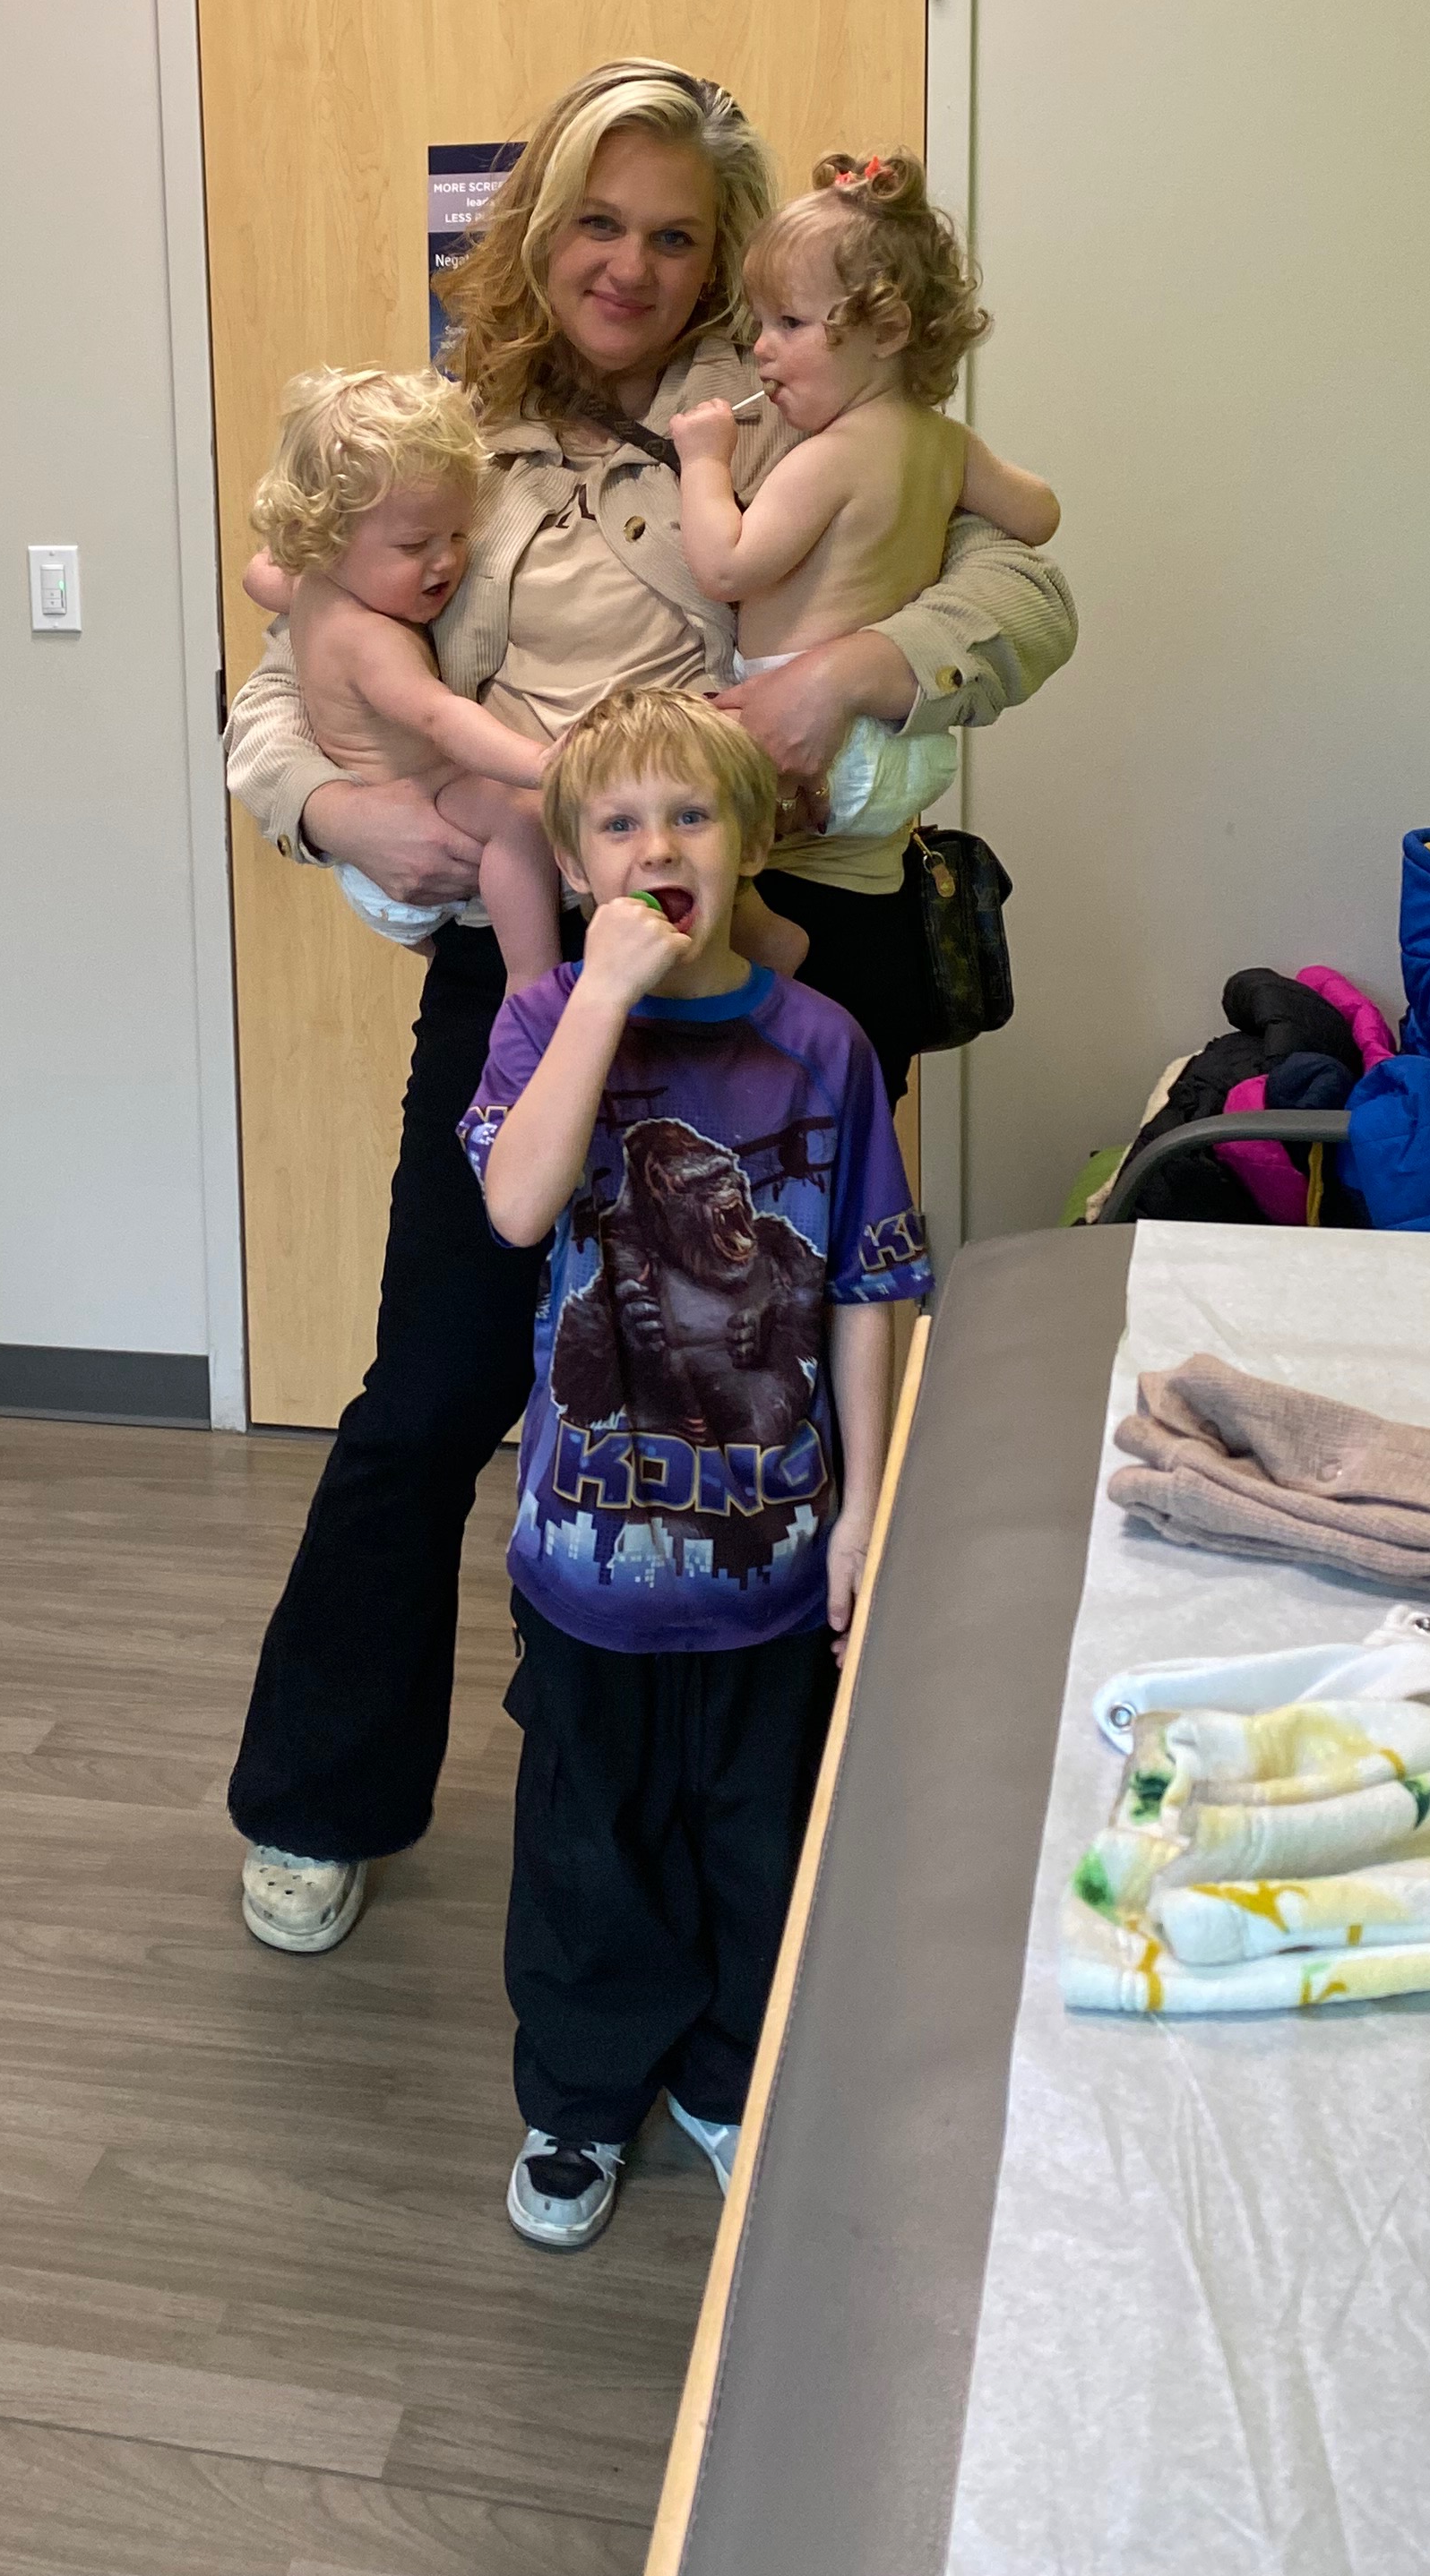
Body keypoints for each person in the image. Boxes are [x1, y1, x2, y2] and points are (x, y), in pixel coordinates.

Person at [224, 57, 1076, 1957]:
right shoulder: (442, 442)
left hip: (772, 963)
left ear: (723, 258)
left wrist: (859, 662)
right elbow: (287, 675)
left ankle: (798, 1823)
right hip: (531, 971)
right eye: (597, 222)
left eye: (676, 236)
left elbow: (1029, 593)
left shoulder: (792, 404)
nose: (629, 264)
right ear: (537, 229)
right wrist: (332, 806)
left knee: (778, 1403)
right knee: (434, 1384)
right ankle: (318, 1794)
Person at [461, 687, 928, 2245]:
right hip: (587, 1563)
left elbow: (867, 1285)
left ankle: (733, 2074)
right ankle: (581, 2096)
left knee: (754, 1834)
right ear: (573, 863)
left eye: (690, 815)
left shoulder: (822, 1045)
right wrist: (600, 994)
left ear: (751, 841)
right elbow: (517, 1207)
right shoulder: (544, 1023)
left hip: (769, 1559)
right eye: (618, 824)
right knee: (588, 1844)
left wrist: (866, 1508)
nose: (656, 846)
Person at [672, 153, 1061, 974]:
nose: (761, 348)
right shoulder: (949, 443)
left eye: (789, 323)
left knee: (680, 802)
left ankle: (759, 931)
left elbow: (726, 569)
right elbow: (1040, 516)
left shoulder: (825, 458)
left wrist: (704, 462)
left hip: (812, 741)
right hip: (905, 743)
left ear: (887, 332)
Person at [240, 365, 561, 984]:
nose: (446, 560)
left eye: (458, 533)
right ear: (328, 538)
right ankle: (532, 985)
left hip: (372, 867)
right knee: (521, 816)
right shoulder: (370, 639)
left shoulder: (309, 584)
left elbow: (261, 574)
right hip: (419, 815)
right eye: (415, 545)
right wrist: (544, 765)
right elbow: (441, 719)